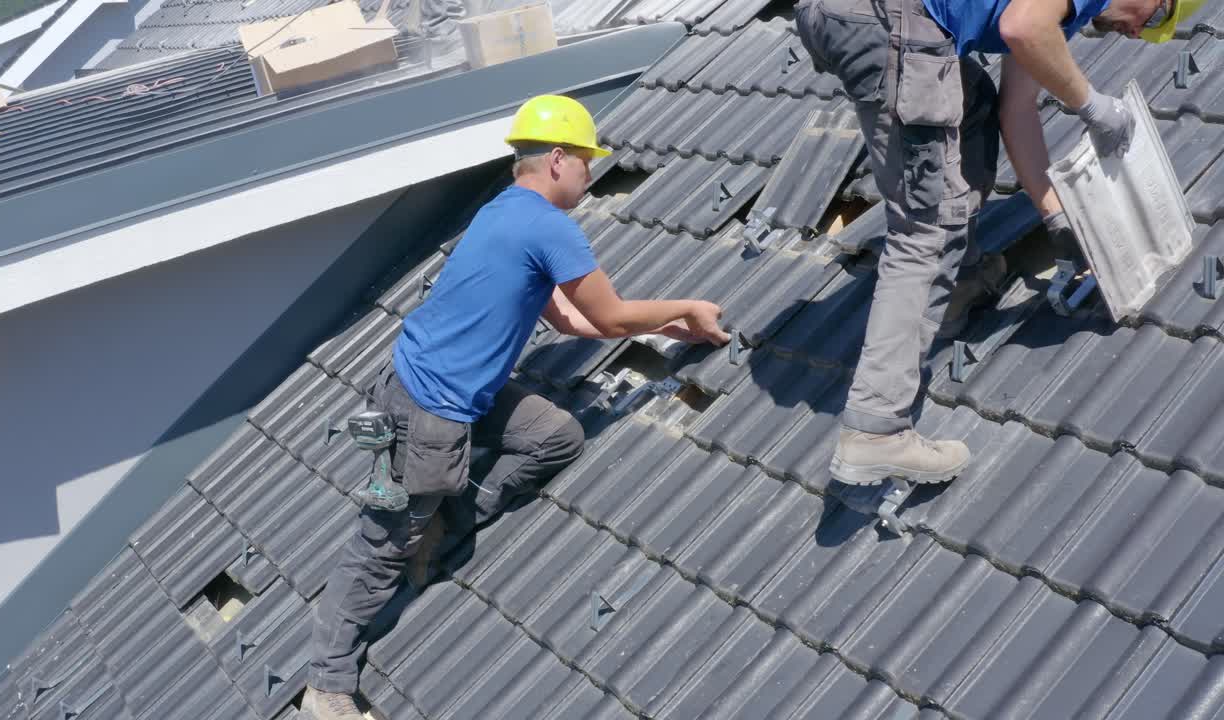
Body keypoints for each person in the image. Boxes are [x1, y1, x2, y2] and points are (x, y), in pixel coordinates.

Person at [301, 94, 731, 720]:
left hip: (461, 393)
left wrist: (664, 332)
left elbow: (569, 317)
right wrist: (685, 307)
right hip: (427, 409)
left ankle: (453, 517)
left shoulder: (502, 211)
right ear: (558, 159)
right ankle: (326, 684)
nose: (591, 175)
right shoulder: (548, 225)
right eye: (587, 162)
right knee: (383, 543)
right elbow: (609, 313)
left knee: (554, 436)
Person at [795, 0, 1204, 486]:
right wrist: (1092, 105)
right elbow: (1022, 27)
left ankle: (954, 290)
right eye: (1155, 20)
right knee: (925, 231)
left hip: (858, 14)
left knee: (974, 102)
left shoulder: (1059, 12)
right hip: (889, 18)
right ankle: (875, 427)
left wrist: (1055, 219)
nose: (1138, 35)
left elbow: (1018, 108)